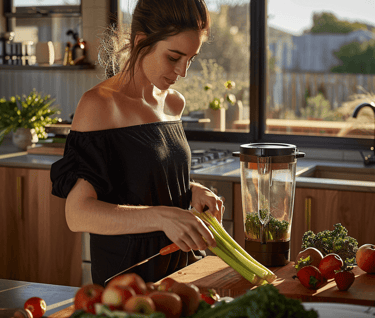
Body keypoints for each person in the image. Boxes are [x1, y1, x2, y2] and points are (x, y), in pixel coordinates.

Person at [50, 0, 224, 287]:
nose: (182, 72)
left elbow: (140, 177)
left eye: (190, 59)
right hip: (129, 286)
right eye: (173, 57)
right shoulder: (100, 105)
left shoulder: (173, 104)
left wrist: (191, 190)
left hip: (181, 278)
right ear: (142, 42)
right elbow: (78, 213)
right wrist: (163, 217)